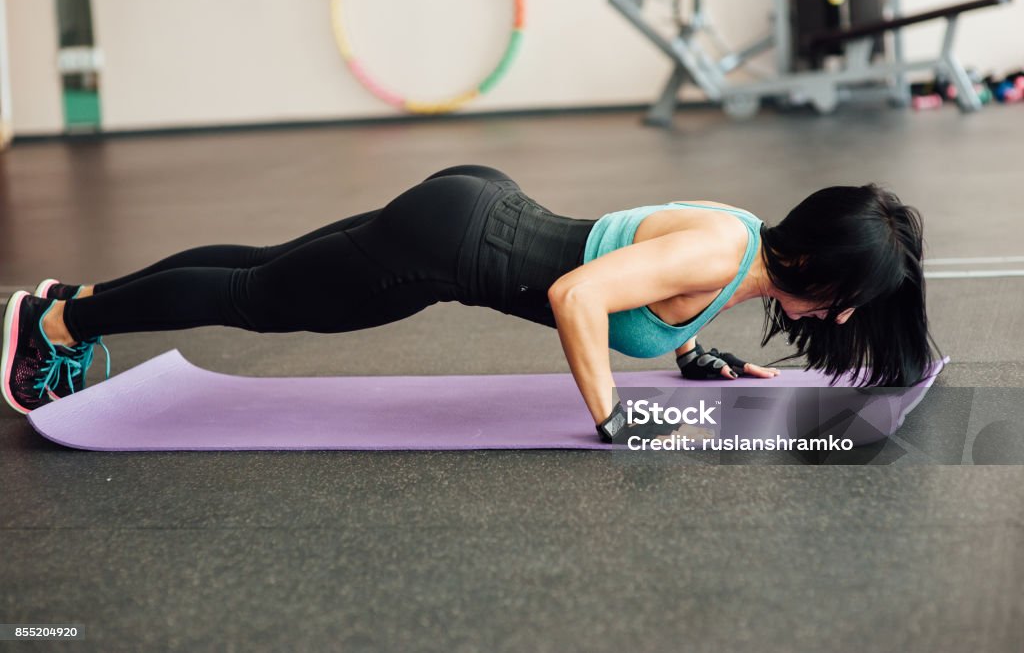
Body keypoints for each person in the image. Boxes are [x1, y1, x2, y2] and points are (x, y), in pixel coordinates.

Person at [1, 165, 939, 441]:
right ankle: (54, 326)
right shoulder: (720, 250)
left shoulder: (745, 249)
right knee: (258, 295)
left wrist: (693, 358)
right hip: (447, 250)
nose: (848, 318)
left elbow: (641, 286)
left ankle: (75, 303)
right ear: (814, 259)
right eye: (850, 298)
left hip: (472, 207)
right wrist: (612, 418)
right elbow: (578, 296)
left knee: (264, 269)